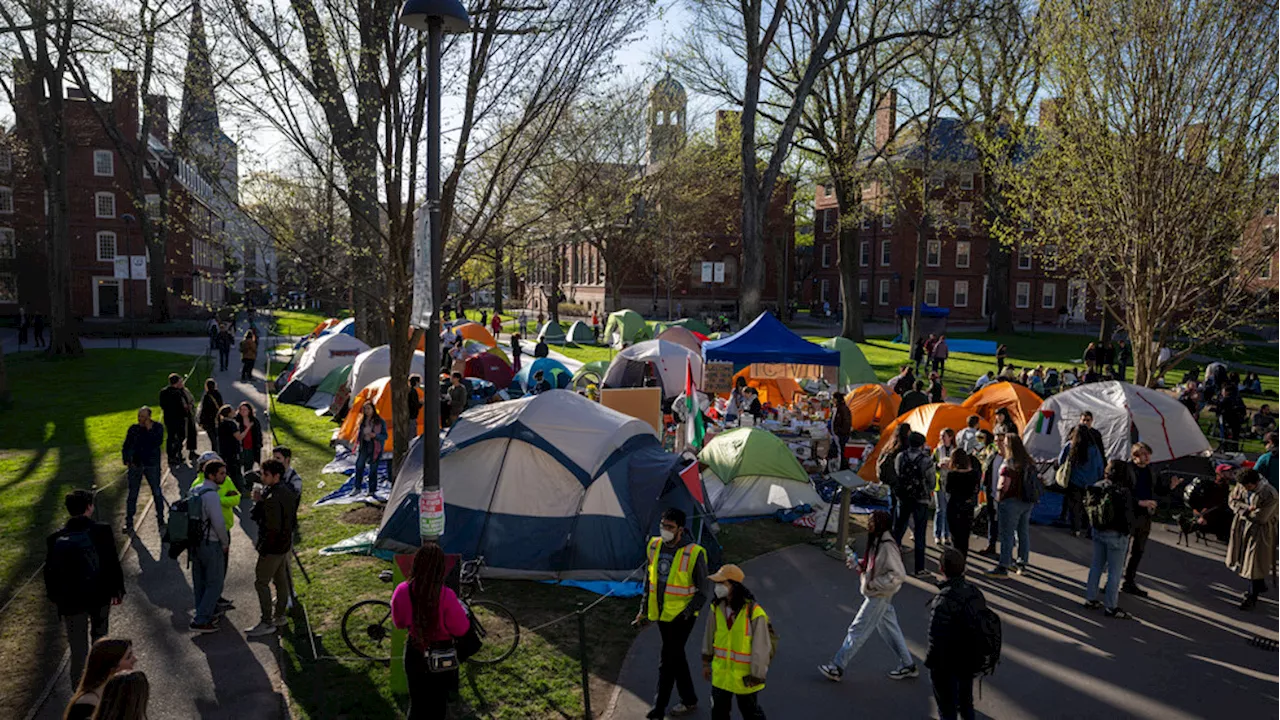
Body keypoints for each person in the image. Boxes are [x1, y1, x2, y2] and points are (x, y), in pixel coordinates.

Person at [819, 510, 916, 683]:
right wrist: (861, 565)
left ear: (879, 524)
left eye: (871, 521)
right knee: (890, 629)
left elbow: (898, 574)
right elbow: (880, 565)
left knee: (857, 629)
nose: (868, 524)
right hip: (880, 594)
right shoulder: (880, 541)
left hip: (878, 594)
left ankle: (837, 667)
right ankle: (908, 664)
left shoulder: (886, 545)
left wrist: (873, 583)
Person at [44, 490, 125, 687]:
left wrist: (57, 599)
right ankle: (103, 685)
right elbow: (111, 562)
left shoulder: (55, 538)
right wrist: (117, 589)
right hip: (99, 595)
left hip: (70, 602)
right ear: (89, 507)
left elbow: (50, 573)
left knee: (78, 650)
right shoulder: (102, 530)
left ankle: (79, 694)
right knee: (100, 641)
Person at [636, 508, 708, 719]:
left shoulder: (694, 553)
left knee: (667, 660)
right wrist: (643, 610)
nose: (665, 530)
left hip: (682, 618)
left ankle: (659, 708)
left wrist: (686, 613)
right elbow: (649, 581)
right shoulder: (654, 545)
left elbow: (703, 591)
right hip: (662, 615)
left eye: (670, 527)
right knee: (676, 657)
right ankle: (690, 699)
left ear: (681, 529)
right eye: (663, 525)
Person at [391, 542, 471, 720]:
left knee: (417, 703)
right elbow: (461, 629)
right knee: (438, 705)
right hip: (441, 655)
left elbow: (399, 623)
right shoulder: (446, 595)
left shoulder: (402, 590)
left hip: (414, 651)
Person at [701, 564, 772, 720]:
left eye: (722, 583)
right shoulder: (716, 608)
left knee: (751, 713)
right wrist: (706, 662)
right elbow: (709, 636)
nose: (717, 587)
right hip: (721, 675)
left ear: (734, 585)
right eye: (717, 583)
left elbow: (761, 647)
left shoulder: (754, 612)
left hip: (745, 678)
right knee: (718, 713)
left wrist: (757, 675)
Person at [926, 549, 986, 720]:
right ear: (964, 569)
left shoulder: (942, 600)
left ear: (941, 570)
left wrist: (931, 664)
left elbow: (935, 638)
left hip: (946, 664)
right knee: (966, 702)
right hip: (968, 659)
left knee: (947, 707)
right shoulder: (975, 593)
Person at [245, 459, 299, 637]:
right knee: (280, 580)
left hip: (272, 548)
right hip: (284, 544)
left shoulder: (272, 498)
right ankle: (280, 615)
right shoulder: (287, 490)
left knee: (261, 582)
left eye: (265, 474)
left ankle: (267, 621)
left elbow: (270, 526)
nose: (262, 477)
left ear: (276, 476)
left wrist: (260, 502)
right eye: (262, 473)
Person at [1079, 459, 1137, 618]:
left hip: (1099, 531)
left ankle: (1090, 599)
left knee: (1096, 566)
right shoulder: (1122, 492)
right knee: (1114, 572)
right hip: (1117, 534)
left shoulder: (1097, 486)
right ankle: (1111, 606)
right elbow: (1127, 516)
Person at [1227, 468, 1279, 610]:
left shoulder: (1270, 494)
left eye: (1247, 487)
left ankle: (1252, 596)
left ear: (1255, 483)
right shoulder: (1241, 485)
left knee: (1254, 561)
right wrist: (1245, 509)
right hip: (1242, 526)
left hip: (1261, 531)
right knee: (1244, 559)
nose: (1244, 489)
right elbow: (1232, 500)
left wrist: (1244, 510)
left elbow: (1262, 517)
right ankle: (1260, 585)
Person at [986, 434, 1036, 577]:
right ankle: (1022, 563)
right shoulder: (1027, 461)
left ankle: (1003, 565)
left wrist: (998, 498)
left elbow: (1003, 485)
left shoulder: (1009, 463)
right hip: (1026, 501)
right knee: (1022, 532)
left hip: (1010, 502)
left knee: (1007, 535)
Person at [191, 461, 231, 633]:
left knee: (200, 582)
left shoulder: (195, 490)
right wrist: (225, 543)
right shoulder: (212, 496)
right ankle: (201, 619)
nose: (224, 476)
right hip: (211, 543)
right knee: (215, 583)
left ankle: (203, 611)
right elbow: (219, 523)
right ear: (212, 475)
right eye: (221, 473)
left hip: (195, 543)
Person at [893, 431, 935, 576]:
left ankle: (890, 560)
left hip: (904, 497)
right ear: (922, 444)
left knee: (898, 529)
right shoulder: (926, 460)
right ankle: (919, 568)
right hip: (920, 498)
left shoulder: (900, 456)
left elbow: (898, 473)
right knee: (919, 533)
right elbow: (932, 482)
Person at [63, 638, 135, 720]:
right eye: (128, 657)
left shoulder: (114, 691)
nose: (135, 659)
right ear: (111, 666)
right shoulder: (86, 704)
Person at [1121, 443, 1159, 597]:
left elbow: (1156, 490)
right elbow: (1123, 492)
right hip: (1129, 514)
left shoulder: (1150, 470)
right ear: (1135, 455)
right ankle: (1113, 580)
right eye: (1143, 454)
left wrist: (1170, 486)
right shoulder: (1127, 469)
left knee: (1138, 551)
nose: (1147, 457)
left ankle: (1129, 581)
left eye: (1148, 454)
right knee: (1121, 550)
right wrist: (1139, 502)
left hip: (1145, 516)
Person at [120, 407, 166, 535]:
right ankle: (129, 522)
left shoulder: (157, 427)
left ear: (149, 417)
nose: (140, 419)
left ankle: (161, 519)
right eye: (139, 416)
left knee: (156, 492)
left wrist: (149, 429)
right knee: (132, 494)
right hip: (136, 465)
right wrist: (126, 459)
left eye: (143, 417)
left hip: (151, 465)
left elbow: (157, 442)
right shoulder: (133, 429)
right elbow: (126, 445)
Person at [1059, 424, 1105, 537]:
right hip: (1091, 482)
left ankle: (1076, 528)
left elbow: (1061, 461)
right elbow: (1100, 465)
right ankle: (1089, 530)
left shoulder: (1070, 446)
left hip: (1074, 480)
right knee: (1089, 506)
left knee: (1075, 506)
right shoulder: (1094, 448)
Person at [945, 450, 981, 559]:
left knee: (955, 537)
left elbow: (948, 489)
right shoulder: (974, 474)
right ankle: (963, 560)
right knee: (965, 537)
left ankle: (956, 561)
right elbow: (976, 490)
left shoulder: (951, 474)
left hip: (954, 505)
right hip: (967, 505)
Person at [352, 403, 387, 497]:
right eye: (365, 409)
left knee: (373, 469)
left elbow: (385, 436)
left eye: (368, 408)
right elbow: (359, 433)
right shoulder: (363, 421)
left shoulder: (379, 422)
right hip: (364, 445)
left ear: (373, 409)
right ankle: (357, 488)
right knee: (359, 466)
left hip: (375, 446)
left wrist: (375, 436)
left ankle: (371, 490)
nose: (367, 411)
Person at [976, 430, 1001, 557]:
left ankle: (1008, 553)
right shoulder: (993, 454)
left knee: (1004, 523)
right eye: (997, 441)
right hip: (991, 491)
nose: (998, 443)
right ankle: (991, 545)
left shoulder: (1007, 457)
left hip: (1003, 494)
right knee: (992, 519)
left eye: (1001, 441)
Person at [158, 373, 190, 466]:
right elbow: (182, 406)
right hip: (178, 418)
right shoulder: (178, 393)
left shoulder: (163, 392)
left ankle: (172, 455)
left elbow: (162, 405)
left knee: (171, 437)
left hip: (168, 418)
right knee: (181, 436)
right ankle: (176, 453)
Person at [933, 429, 957, 546]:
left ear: (951, 437)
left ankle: (947, 535)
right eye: (941, 436)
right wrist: (938, 465)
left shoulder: (955, 451)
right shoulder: (937, 451)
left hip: (951, 483)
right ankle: (937, 535)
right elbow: (931, 465)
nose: (942, 438)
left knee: (948, 510)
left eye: (944, 436)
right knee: (940, 509)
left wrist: (951, 466)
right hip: (939, 483)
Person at [216, 405, 243, 489]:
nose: (235, 411)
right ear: (229, 413)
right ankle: (238, 488)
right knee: (236, 471)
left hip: (224, 450)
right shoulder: (231, 424)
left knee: (228, 470)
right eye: (232, 411)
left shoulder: (221, 423)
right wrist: (248, 428)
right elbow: (239, 437)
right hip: (233, 450)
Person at [235, 402, 264, 478]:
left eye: (245, 409)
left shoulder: (254, 421)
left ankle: (248, 485)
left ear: (249, 411)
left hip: (251, 448)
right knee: (238, 467)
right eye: (241, 409)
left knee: (248, 468)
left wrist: (259, 445)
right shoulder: (236, 421)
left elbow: (259, 434)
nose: (242, 411)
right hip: (240, 448)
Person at [197, 378, 223, 454]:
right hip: (217, 419)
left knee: (213, 439)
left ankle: (215, 452)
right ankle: (219, 452)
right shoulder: (218, 394)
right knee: (218, 437)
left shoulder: (206, 396)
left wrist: (201, 421)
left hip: (208, 421)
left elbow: (204, 410)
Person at [831, 393, 852, 471]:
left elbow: (846, 422)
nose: (832, 400)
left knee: (841, 451)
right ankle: (840, 466)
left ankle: (842, 467)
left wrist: (839, 431)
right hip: (837, 434)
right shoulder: (838, 408)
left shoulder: (842, 409)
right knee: (838, 450)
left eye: (833, 399)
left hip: (841, 435)